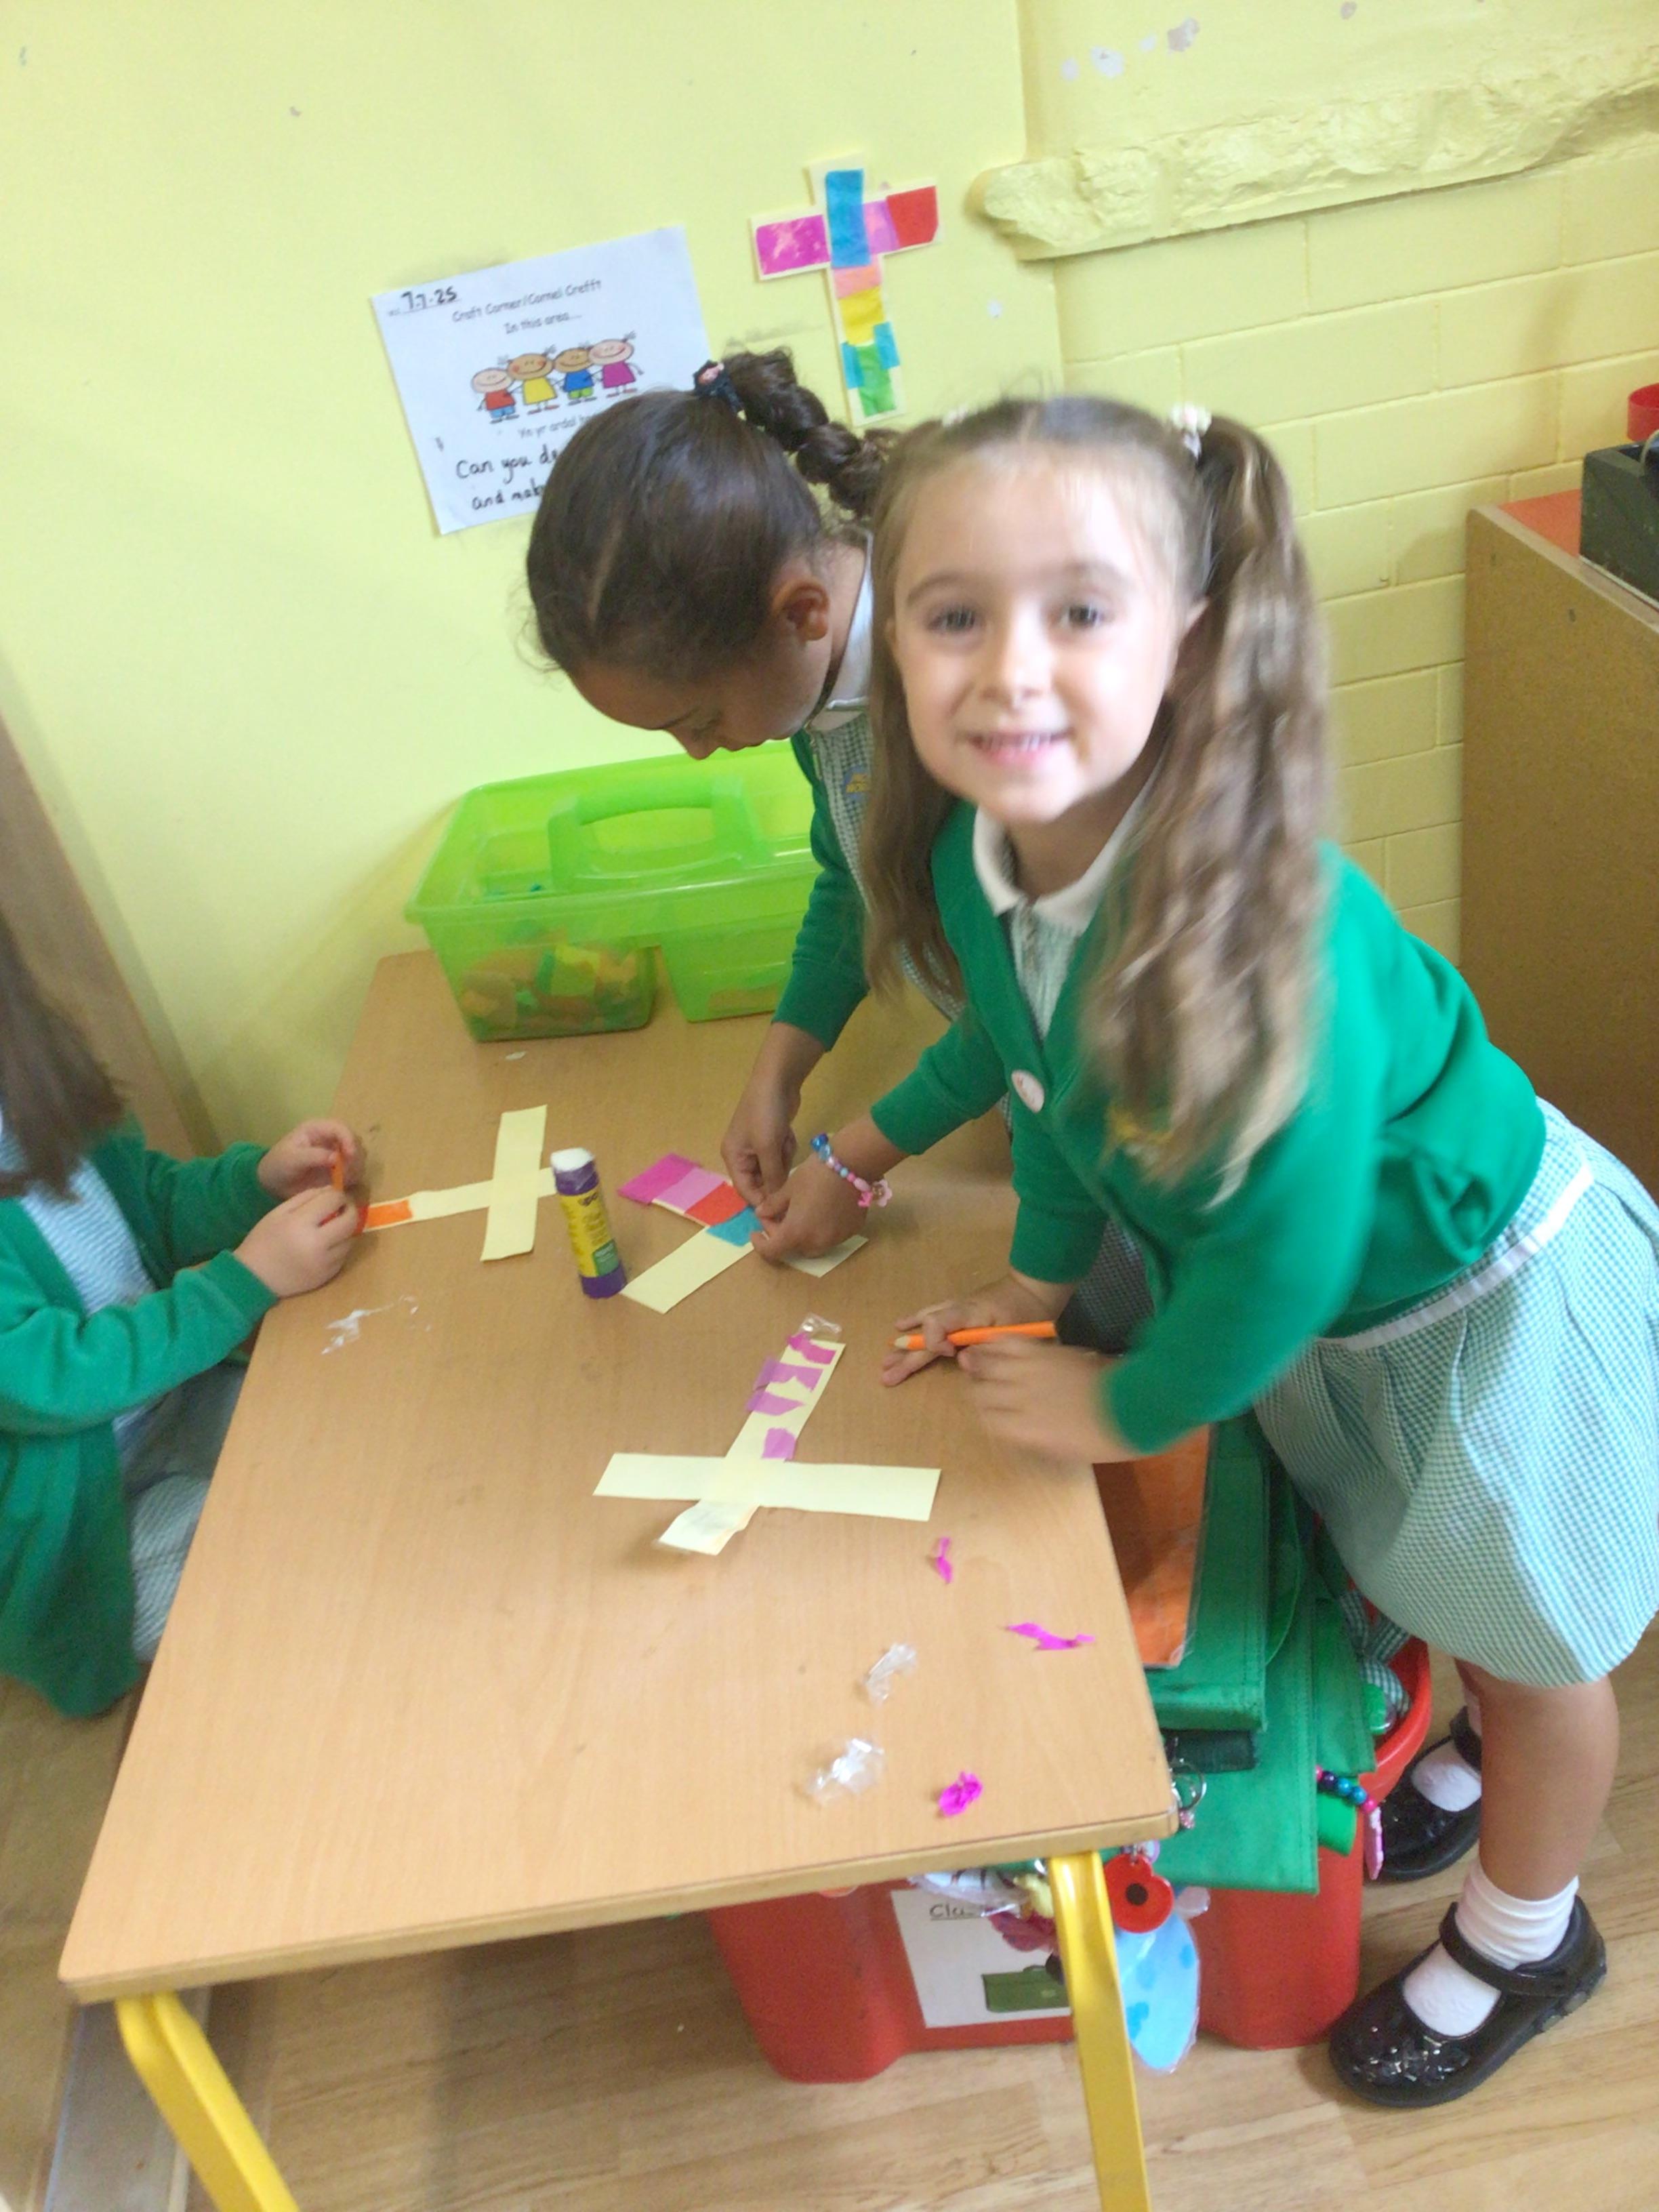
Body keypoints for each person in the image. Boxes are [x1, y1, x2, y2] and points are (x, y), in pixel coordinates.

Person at [810, 391, 1656, 2106]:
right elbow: (1037, 1081)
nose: (1008, 670)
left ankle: (1530, 1930)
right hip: (1345, 1324)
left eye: (1079, 610)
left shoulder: (1259, 929)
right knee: (1429, 1582)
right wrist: (1036, 1284)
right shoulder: (985, 855)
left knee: (1542, 1656)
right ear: (890, 639)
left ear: (1189, 642)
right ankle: (1481, 1738)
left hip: (1470, 1297)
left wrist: (1118, 1407)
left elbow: (1278, 1262)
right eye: (953, 614)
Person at [525, 350, 1154, 1345]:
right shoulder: (816, 687)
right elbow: (858, 874)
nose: (698, 753)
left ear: (801, 615)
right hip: (1034, 1094)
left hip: (1122, 1110)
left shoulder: (968, 717)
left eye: (699, 719)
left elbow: (1021, 1012)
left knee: (1142, 1345)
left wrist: (857, 1159)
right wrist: (780, 1068)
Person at [0, 909, 362, 1716]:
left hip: (177, 1397)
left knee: (350, 1465)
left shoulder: (34, 1096)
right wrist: (244, 1282)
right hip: (83, 1514)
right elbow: (52, 1377)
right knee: (263, 1623)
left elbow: (152, 1204)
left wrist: (255, 1182)